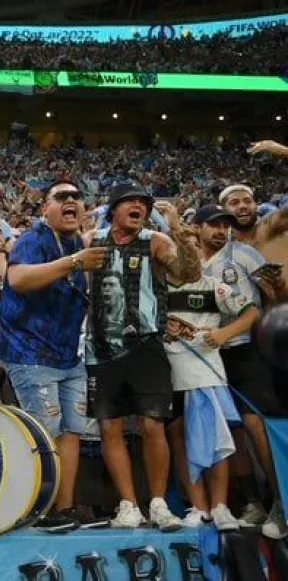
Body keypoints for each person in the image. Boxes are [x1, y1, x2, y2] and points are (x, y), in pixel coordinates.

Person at [84, 185, 198, 531]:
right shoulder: (91, 240)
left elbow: (188, 274)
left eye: (144, 204)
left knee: (152, 424)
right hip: (100, 345)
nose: (139, 207)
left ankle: (159, 503)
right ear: (113, 209)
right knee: (110, 427)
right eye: (131, 201)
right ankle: (128, 504)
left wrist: (177, 227)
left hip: (146, 344)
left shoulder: (156, 241)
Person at [0, 179, 108, 531]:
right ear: (45, 207)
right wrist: (74, 262)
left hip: (68, 356)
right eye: (62, 197)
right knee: (45, 433)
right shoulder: (34, 239)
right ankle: (36, 509)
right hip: (30, 352)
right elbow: (17, 279)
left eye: (77, 196)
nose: (71, 201)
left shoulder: (78, 242)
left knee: (72, 432)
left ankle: (63, 508)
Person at [164, 207, 259, 531]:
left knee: (216, 440)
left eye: (190, 246)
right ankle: (197, 506)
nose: (185, 252)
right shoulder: (159, 287)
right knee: (179, 440)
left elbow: (251, 313)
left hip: (206, 373)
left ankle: (220, 507)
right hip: (170, 375)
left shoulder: (214, 285)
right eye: (180, 247)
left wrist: (223, 334)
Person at [200, 201, 287, 537]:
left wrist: (276, 286)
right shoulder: (192, 262)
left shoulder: (245, 255)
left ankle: (281, 501)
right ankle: (252, 501)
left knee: (255, 424)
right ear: (199, 228)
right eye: (214, 225)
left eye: (225, 225)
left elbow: (269, 298)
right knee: (229, 430)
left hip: (246, 350)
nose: (221, 231)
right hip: (208, 356)